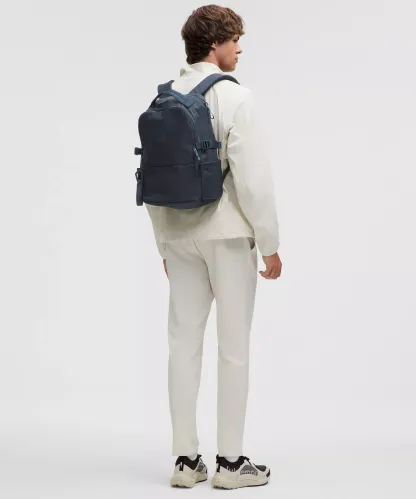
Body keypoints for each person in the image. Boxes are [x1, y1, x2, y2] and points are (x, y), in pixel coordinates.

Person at [144, 4, 282, 489]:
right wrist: (270, 244)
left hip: (178, 235)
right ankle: (230, 463)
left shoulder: (164, 99)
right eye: (235, 39)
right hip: (227, 236)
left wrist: (163, 243)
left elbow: (153, 179)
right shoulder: (236, 97)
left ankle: (185, 461)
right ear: (215, 44)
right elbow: (254, 181)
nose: (239, 48)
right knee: (233, 347)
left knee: (182, 345)